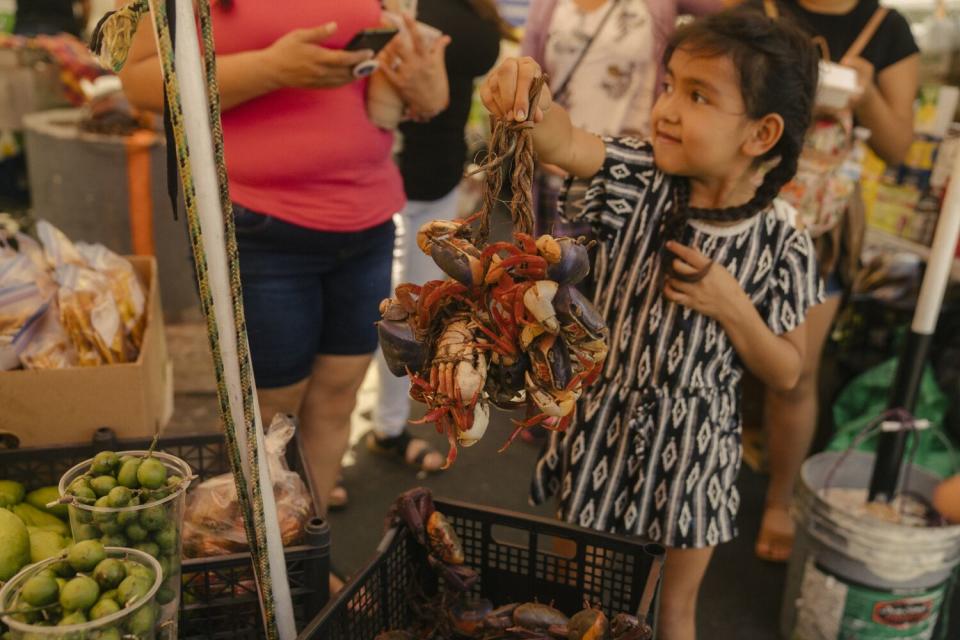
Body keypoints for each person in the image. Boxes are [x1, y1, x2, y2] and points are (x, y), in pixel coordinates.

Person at [480, 9, 822, 638]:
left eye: (697, 95)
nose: (665, 107)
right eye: (669, 84)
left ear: (762, 133)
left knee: (672, 612)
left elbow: (788, 368)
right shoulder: (641, 176)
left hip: (698, 447)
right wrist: (529, 97)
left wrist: (732, 305)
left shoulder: (784, 245)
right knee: (577, 596)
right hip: (598, 426)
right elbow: (565, 142)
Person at [118, 1, 449, 515]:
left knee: (339, 395)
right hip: (257, 225)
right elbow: (140, 83)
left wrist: (424, 84)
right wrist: (271, 68)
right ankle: (264, 569)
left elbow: (408, 92)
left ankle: (308, 554)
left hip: (367, 218)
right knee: (270, 416)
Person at [753, 0, 919, 563]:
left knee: (795, 375)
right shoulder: (758, 9)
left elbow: (898, 146)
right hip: (739, 207)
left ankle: (780, 501)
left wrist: (865, 92)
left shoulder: (888, 29)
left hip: (820, 229)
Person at [366, 0, 510, 476]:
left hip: (438, 181)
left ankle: (389, 428)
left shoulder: (471, 11)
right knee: (376, 315)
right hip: (379, 179)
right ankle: (312, 446)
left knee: (418, 316)